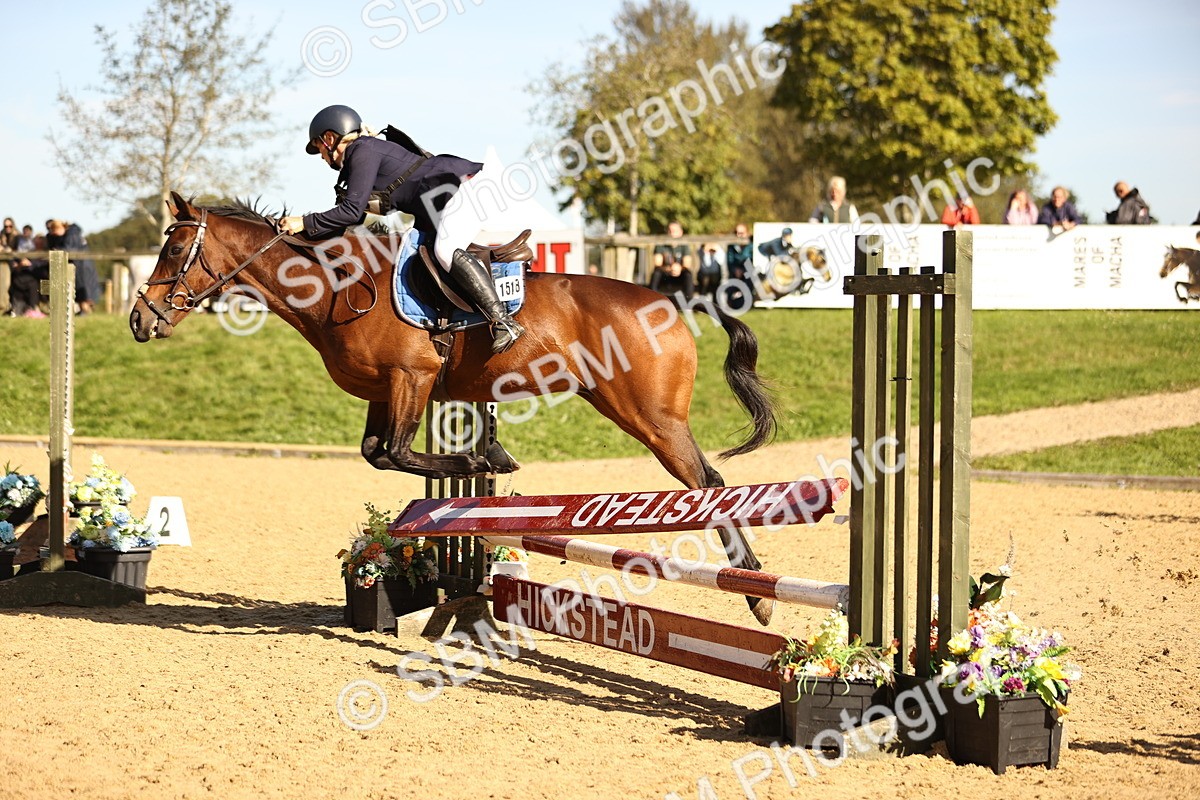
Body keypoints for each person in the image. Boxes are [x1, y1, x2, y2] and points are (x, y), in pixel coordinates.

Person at [278, 105, 523, 354]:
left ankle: (503, 321)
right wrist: (303, 235)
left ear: (330, 139)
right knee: (420, 255)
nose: (321, 156)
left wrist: (304, 222)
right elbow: (353, 219)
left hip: (465, 186)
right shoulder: (362, 153)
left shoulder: (361, 150)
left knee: (445, 252)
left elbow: (351, 212)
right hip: (441, 202)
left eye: (319, 147)